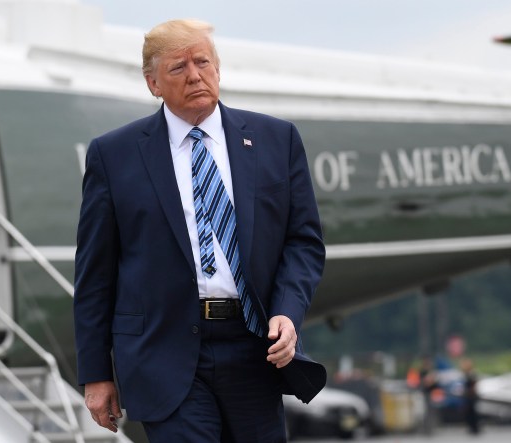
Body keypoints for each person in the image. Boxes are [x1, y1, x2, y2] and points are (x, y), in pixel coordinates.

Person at [73, 19, 326, 443]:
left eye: (202, 62)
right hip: (163, 354)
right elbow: (95, 274)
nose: (194, 75)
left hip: (254, 347)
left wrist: (287, 311)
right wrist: (96, 373)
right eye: (178, 67)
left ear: (218, 68)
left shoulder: (276, 139)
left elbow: (303, 242)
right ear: (153, 83)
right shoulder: (113, 155)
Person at [461, 358, 481, 435]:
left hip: (471, 396)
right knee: (468, 413)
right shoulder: (466, 374)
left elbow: (474, 385)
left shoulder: (472, 374)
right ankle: (471, 427)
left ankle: (475, 428)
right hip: (467, 396)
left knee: (472, 412)